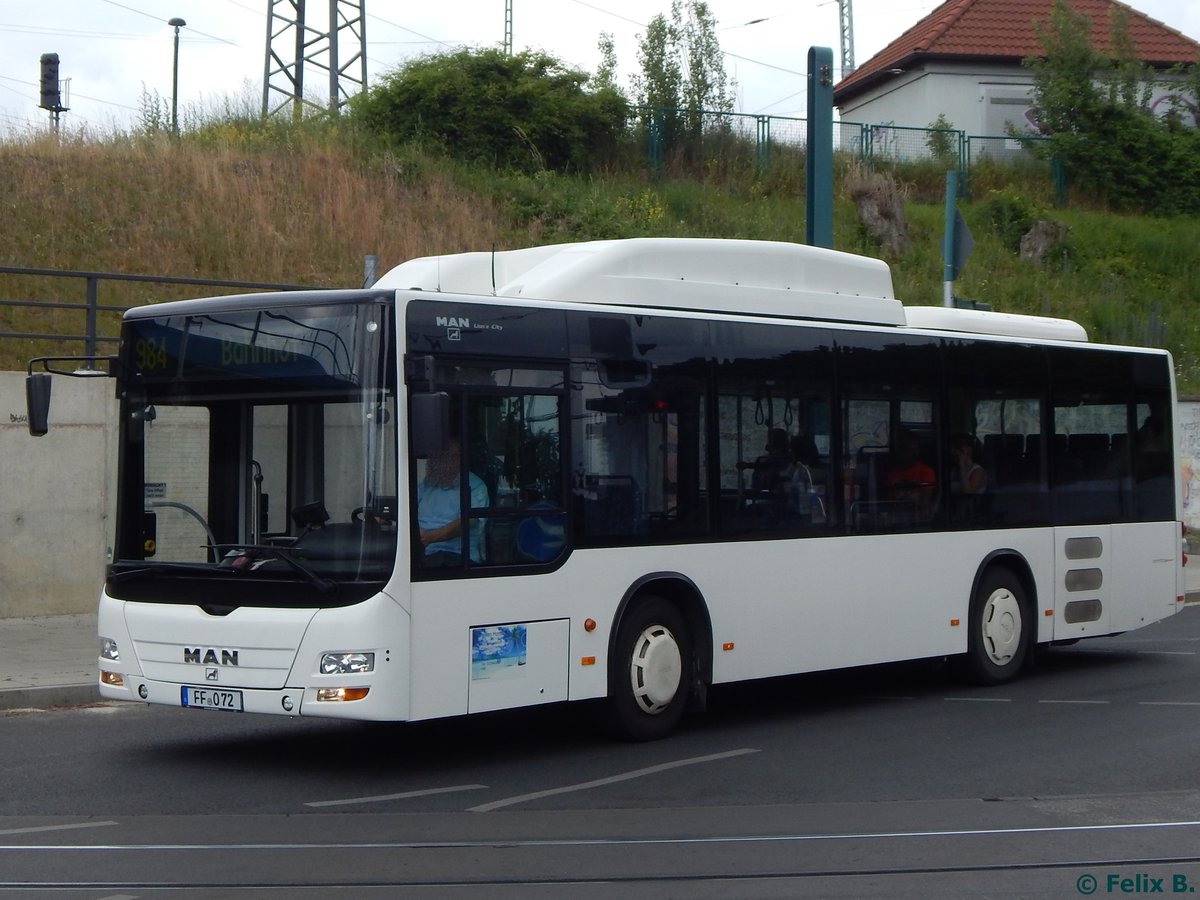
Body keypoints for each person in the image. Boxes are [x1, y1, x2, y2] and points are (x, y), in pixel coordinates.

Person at [416, 437, 489, 567]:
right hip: (422, 550)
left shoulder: (474, 485)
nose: (433, 462)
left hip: (455, 555)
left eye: (440, 457)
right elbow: (409, 508)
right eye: (434, 457)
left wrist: (430, 537)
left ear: (456, 459)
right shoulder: (428, 484)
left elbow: (467, 521)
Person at [885, 430, 936, 519]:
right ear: (901, 451)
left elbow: (925, 505)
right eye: (910, 449)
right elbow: (888, 505)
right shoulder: (892, 475)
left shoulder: (927, 472)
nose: (914, 454)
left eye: (916, 449)